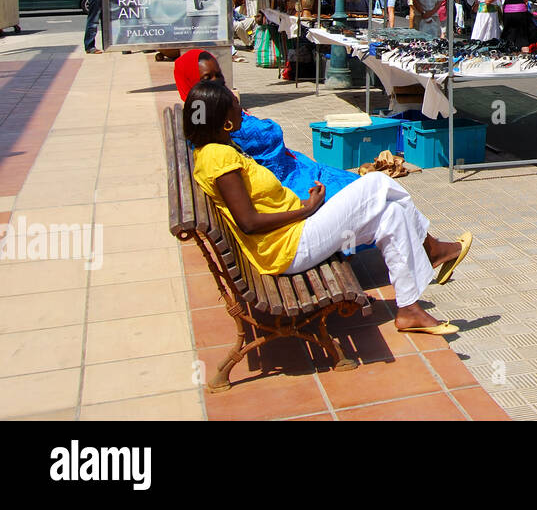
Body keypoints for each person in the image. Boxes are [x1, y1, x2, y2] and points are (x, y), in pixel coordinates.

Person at [184, 80, 471, 335]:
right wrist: (307, 209)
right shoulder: (219, 158)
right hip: (289, 246)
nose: (242, 111)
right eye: (237, 106)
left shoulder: (216, 149)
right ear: (224, 121)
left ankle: (409, 308)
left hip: (292, 234)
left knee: (392, 214)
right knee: (377, 184)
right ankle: (430, 248)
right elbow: (248, 222)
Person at [174, 49, 356, 199]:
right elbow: (269, 133)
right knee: (371, 193)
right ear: (191, 83)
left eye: (218, 75)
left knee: (372, 187)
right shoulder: (216, 125)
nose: (217, 82)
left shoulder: (206, 114)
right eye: (207, 79)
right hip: (290, 186)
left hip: (297, 172)